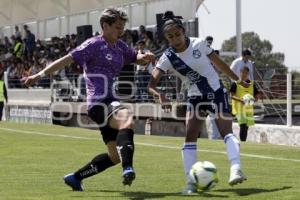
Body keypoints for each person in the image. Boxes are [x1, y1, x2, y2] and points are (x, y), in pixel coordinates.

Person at [25, 8, 155, 191]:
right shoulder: (93, 44)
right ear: (105, 25)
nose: (121, 31)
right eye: (118, 27)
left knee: (114, 156)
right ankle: (128, 168)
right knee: (126, 119)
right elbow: (66, 60)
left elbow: (136, 58)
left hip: (108, 102)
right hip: (99, 102)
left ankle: (75, 178)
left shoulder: (120, 46)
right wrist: (38, 75)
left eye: (123, 27)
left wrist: (146, 57)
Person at [148, 11, 248, 194]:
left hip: (216, 93)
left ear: (183, 31)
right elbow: (151, 85)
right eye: (170, 37)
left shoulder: (199, 44)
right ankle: (191, 183)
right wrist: (160, 95)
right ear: (166, 38)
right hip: (194, 98)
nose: (175, 39)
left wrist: (237, 80)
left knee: (226, 131)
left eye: (177, 34)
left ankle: (236, 169)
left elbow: (220, 65)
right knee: (189, 138)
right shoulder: (167, 57)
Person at [230, 66, 260, 141]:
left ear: (248, 73)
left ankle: (243, 141)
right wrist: (241, 100)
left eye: (245, 73)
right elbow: (231, 95)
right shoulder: (235, 83)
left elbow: (257, 96)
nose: (244, 74)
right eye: (242, 72)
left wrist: (254, 100)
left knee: (246, 126)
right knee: (242, 125)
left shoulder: (252, 84)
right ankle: (242, 142)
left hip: (248, 109)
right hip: (239, 109)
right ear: (240, 73)